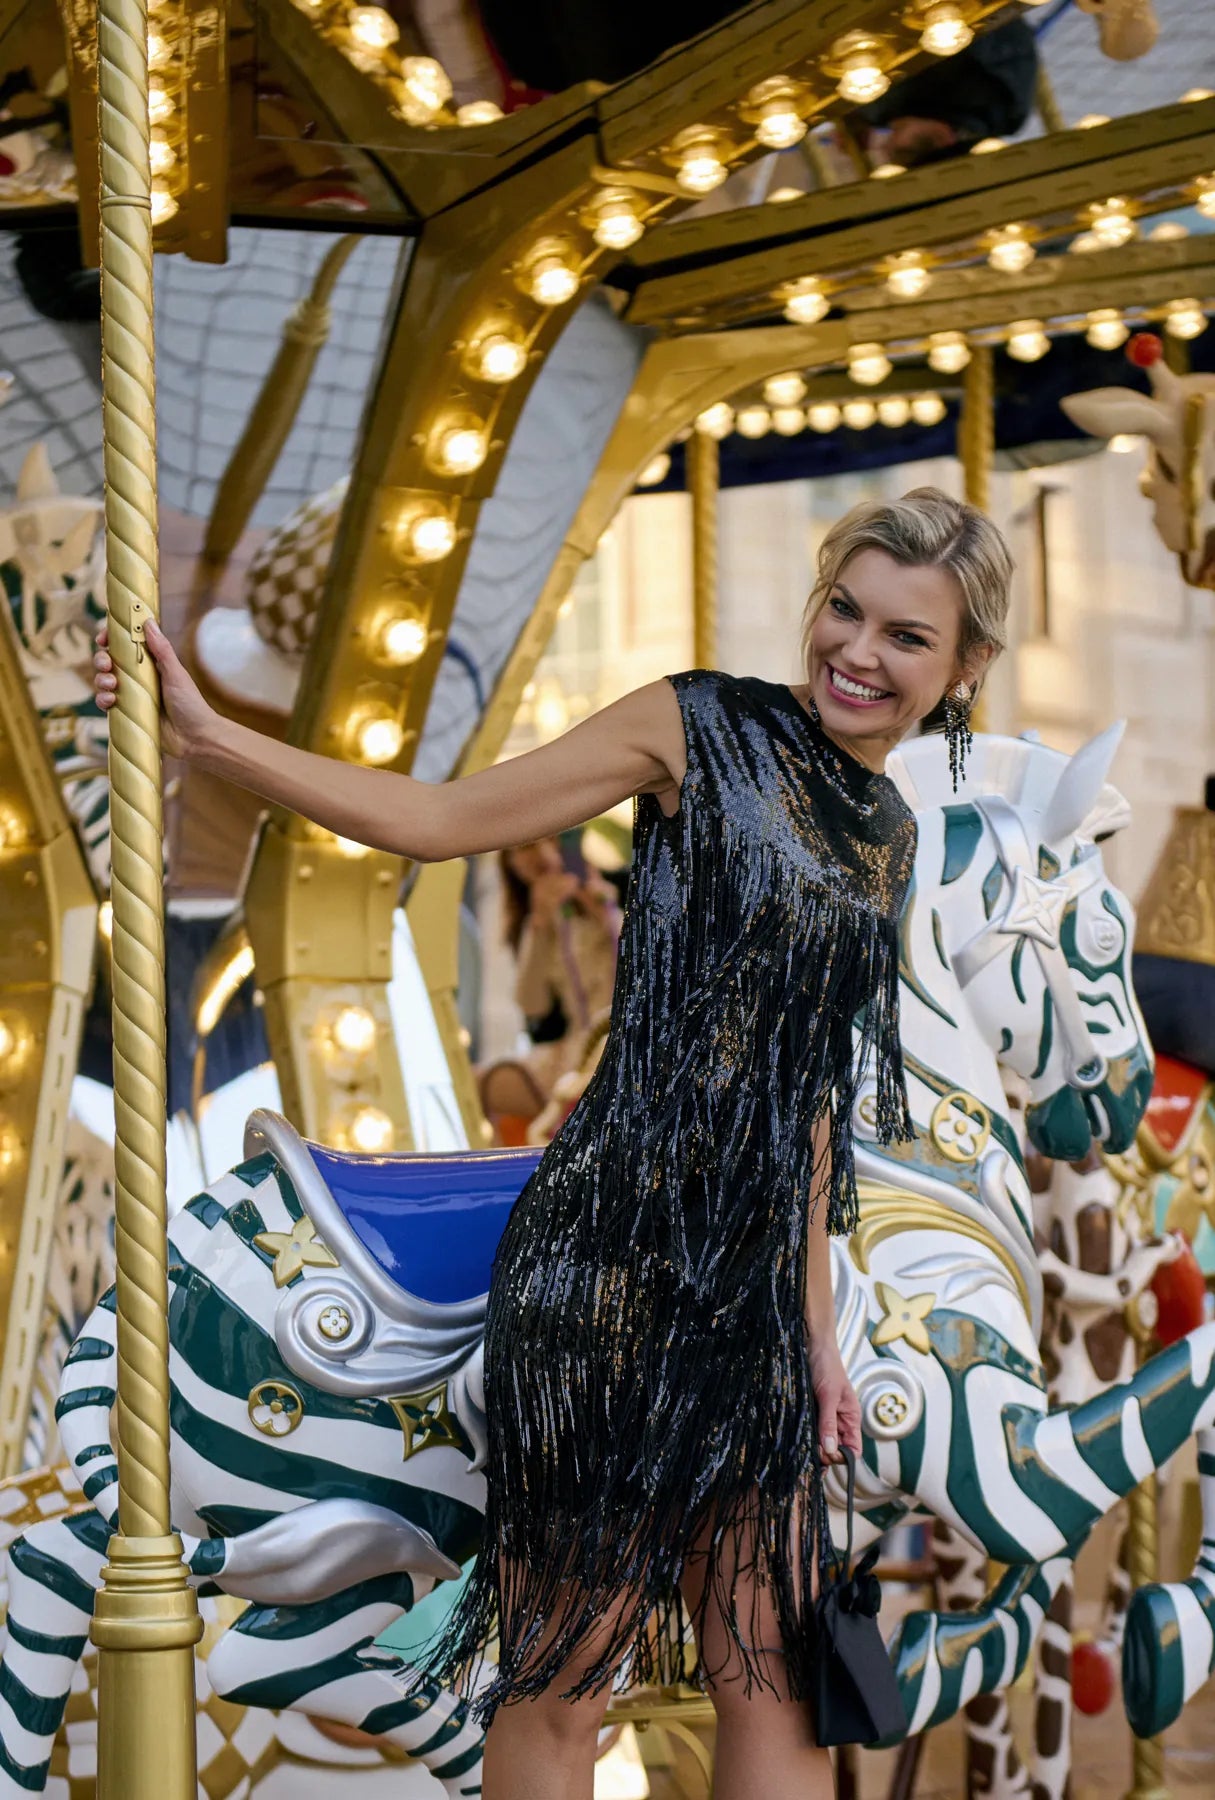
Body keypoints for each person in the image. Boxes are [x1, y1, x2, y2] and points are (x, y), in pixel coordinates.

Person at [94, 485, 1009, 1800]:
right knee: (568, 1678)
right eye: (842, 610)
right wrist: (216, 744)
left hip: (750, 1300)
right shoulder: (697, 726)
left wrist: (814, 1332)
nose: (856, 652)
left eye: (904, 637)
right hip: (612, 1263)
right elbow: (437, 818)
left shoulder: (889, 833)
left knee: (775, 1682)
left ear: (963, 667)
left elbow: (806, 1099)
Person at [479, 836, 622, 1142]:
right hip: (575, 1048)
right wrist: (540, 923)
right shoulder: (534, 921)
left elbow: (653, 960)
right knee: (480, 1081)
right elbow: (533, 1006)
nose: (541, 856)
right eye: (525, 846)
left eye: (551, 841)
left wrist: (600, 909)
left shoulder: (616, 887)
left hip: (619, 1037)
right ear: (510, 861)